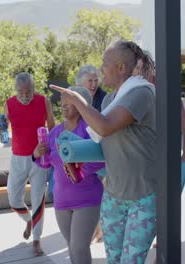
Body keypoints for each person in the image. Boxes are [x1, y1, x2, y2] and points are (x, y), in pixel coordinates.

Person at [51, 40, 158, 263]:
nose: (101, 69)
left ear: (121, 68)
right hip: (113, 196)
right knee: (114, 260)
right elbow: (106, 144)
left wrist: (79, 102)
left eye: (105, 63)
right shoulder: (110, 99)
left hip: (143, 196)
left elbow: (105, 126)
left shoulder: (142, 94)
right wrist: (74, 158)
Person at [33, 86, 105, 264]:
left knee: (79, 248)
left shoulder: (89, 129)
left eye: (69, 104)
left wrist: (77, 169)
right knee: (72, 249)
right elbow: (47, 162)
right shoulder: (55, 132)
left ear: (81, 105)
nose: (64, 108)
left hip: (87, 199)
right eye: (62, 104)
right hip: (61, 201)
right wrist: (35, 154)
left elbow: (101, 159)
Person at [0, 72, 55, 256]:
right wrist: (0, 125)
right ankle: (28, 220)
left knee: (38, 198)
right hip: (18, 158)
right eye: (21, 92)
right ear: (16, 90)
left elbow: (53, 127)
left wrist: (51, 152)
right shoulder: (9, 103)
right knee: (13, 198)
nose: (24, 96)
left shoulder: (43, 101)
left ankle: (37, 240)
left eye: (28, 91)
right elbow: (2, 128)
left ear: (33, 88)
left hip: (40, 159)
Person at [132, 50, 185, 168]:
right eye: (137, 69)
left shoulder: (164, 85)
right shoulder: (134, 86)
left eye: (144, 69)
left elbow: (183, 118)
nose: (140, 74)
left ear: (151, 68)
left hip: (164, 147)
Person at [76, 64, 106, 243]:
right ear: (82, 83)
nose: (94, 84)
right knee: (87, 193)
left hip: (101, 151)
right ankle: (92, 228)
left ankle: (99, 230)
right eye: (90, 81)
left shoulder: (105, 98)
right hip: (83, 150)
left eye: (96, 80)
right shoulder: (77, 97)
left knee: (100, 193)